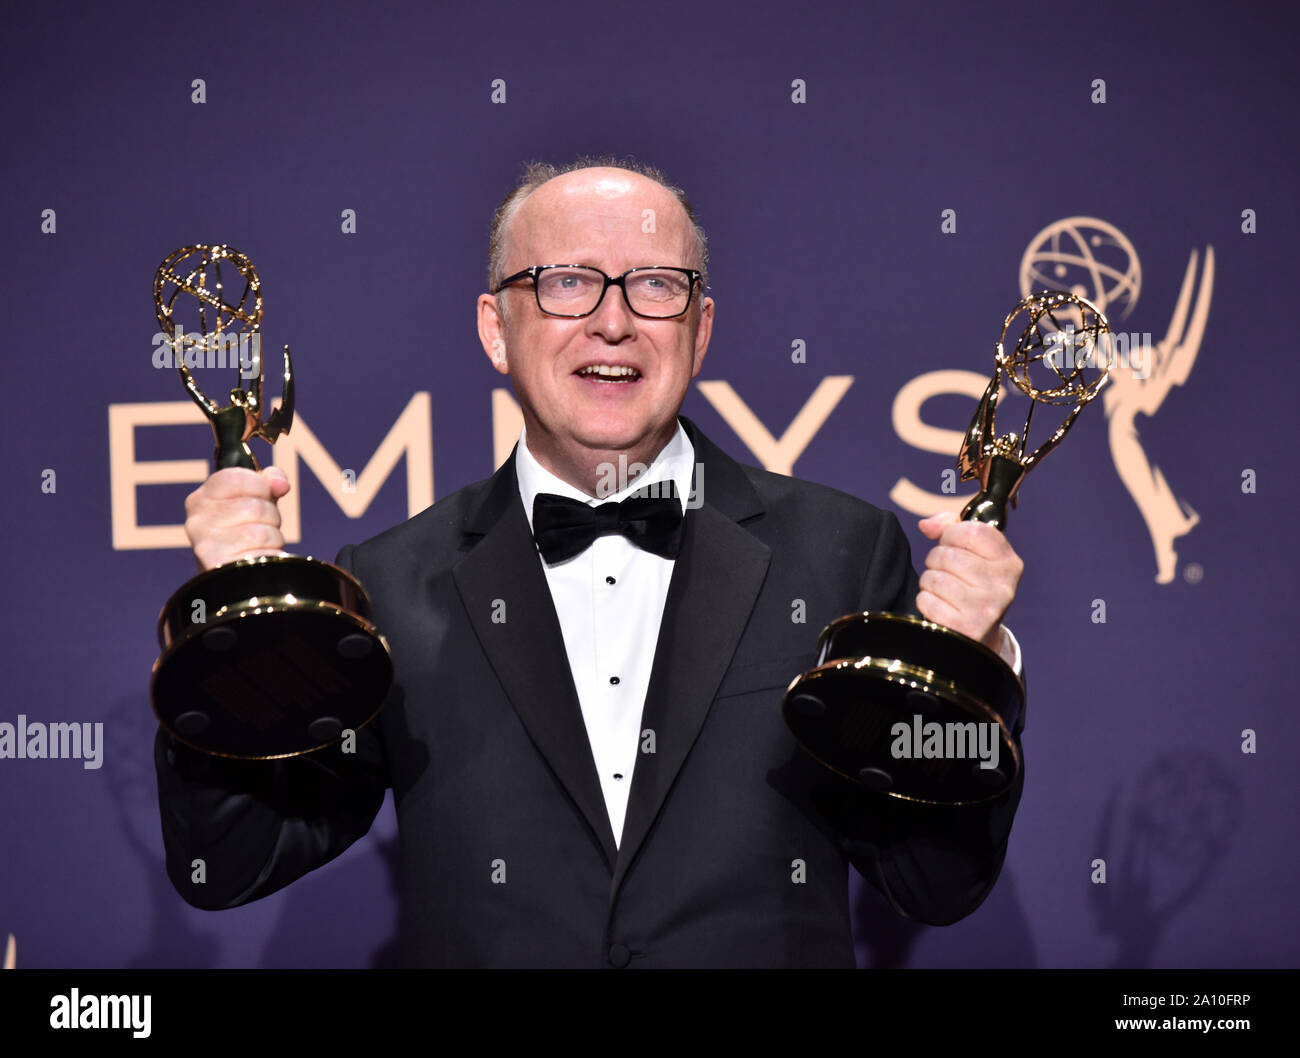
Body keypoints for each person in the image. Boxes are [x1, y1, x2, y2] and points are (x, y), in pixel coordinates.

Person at [156, 156, 1027, 968]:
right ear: (496, 328)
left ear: (701, 328)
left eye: (655, 286)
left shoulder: (841, 552)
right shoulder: (390, 581)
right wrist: (232, 635)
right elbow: (228, 864)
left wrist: (971, 665)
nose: (613, 320)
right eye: (566, 282)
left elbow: (936, 884)